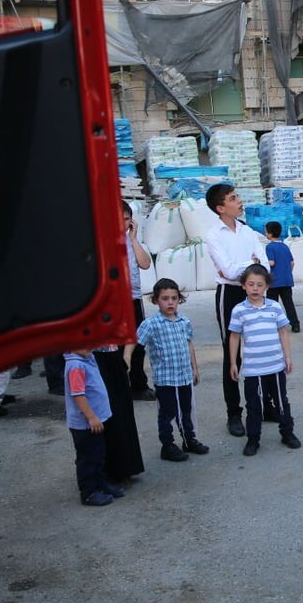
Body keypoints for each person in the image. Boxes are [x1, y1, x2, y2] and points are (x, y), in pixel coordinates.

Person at [203, 183, 269, 438]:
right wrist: (251, 265)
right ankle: (234, 413)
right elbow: (228, 272)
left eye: (237, 196)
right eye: (233, 198)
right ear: (220, 208)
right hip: (229, 296)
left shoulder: (247, 231)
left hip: (255, 293)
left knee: (260, 347)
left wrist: (250, 267)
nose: (239, 201)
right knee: (233, 354)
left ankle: (267, 405)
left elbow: (263, 264)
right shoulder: (214, 235)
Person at [132, 278, 207, 463]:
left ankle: (189, 440)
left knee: (186, 410)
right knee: (167, 413)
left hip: (184, 376)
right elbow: (135, 342)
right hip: (165, 379)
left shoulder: (184, 322)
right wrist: (125, 360)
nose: (170, 302)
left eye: (174, 298)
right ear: (156, 300)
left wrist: (194, 368)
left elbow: (189, 344)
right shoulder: (151, 324)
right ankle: (167, 445)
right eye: (165, 298)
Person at [227, 264, 299, 456]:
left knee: (282, 402)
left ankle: (287, 433)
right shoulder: (239, 310)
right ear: (243, 286)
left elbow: (283, 332)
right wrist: (233, 363)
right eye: (251, 284)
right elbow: (234, 337)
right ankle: (253, 439)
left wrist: (288, 357)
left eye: (260, 284)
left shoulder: (274, 307)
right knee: (254, 406)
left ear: (266, 286)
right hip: (253, 370)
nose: (255, 288)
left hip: (276, 366)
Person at [64, 348, 124, 507]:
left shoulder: (88, 358)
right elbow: (78, 394)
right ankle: (89, 492)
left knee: (99, 454)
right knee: (88, 458)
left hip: (96, 421)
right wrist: (91, 416)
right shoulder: (76, 365)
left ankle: (101, 484)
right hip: (85, 424)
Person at [93, 344, 145, 486]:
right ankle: (103, 472)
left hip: (115, 360)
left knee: (121, 411)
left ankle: (125, 468)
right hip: (93, 361)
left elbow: (129, 331)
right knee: (103, 412)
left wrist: (127, 357)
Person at [123, 201, 155, 401]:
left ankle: (138, 384)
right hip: (115, 301)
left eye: (127, 219)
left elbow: (145, 264)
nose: (123, 223)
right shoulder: (103, 242)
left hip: (133, 298)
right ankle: (120, 384)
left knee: (138, 342)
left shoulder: (132, 242)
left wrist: (133, 238)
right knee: (118, 345)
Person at [264, 220, 301, 333]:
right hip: (286, 280)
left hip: (274, 281)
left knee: (271, 304)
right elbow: (292, 263)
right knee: (288, 303)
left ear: (270, 234)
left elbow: (271, 263)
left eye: (265, 232)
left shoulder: (269, 247)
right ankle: (295, 324)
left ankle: (272, 325)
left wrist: (260, 262)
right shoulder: (285, 246)